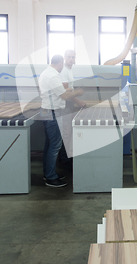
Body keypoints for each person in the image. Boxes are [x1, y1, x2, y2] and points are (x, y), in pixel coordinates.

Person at [39, 54, 84, 187]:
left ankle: (48, 172)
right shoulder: (53, 75)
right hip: (53, 113)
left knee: (49, 145)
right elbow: (64, 96)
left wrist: (69, 89)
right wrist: (78, 92)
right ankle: (51, 177)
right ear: (60, 63)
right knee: (55, 147)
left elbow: (58, 90)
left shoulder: (46, 73)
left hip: (47, 111)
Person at [58, 50, 86, 167]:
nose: (71, 59)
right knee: (66, 134)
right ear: (64, 58)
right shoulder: (64, 71)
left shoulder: (69, 70)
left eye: (73, 57)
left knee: (67, 133)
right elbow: (66, 93)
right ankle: (64, 162)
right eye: (69, 57)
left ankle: (65, 159)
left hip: (68, 106)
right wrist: (79, 101)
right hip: (65, 106)